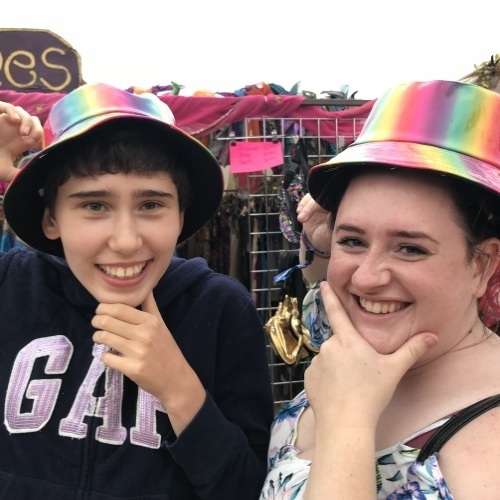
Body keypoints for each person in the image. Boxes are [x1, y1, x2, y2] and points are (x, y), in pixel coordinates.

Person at [0, 82, 274, 499]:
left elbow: (246, 487)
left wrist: (179, 388)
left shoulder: (221, 309)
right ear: (51, 219)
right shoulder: (10, 286)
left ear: (180, 216)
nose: (126, 242)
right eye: (94, 206)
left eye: (151, 205)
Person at [260, 79, 500, 499]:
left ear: (482, 264)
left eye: (410, 248)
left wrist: (347, 421)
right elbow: (322, 297)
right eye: (353, 240)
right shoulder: (349, 340)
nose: (367, 278)